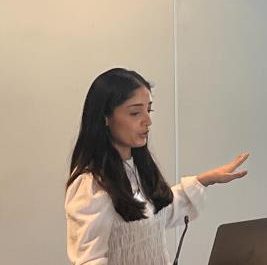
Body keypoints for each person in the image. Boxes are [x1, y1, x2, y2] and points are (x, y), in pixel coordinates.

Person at [65, 68, 249, 264]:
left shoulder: (135, 170)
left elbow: (155, 214)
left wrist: (206, 180)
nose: (148, 121)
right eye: (135, 113)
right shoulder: (91, 185)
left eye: (149, 110)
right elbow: (89, 260)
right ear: (105, 117)